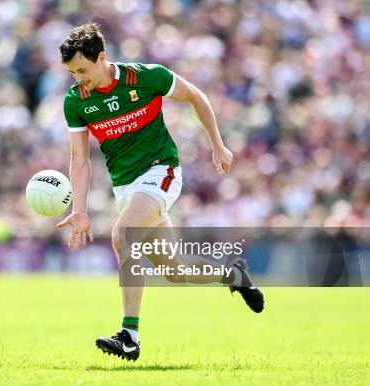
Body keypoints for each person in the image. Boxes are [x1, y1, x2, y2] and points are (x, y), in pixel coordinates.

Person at [55, 23, 264, 361]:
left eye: (83, 69)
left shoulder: (147, 77)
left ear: (102, 57)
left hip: (161, 170)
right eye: (72, 73)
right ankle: (233, 273)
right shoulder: (76, 100)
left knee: (124, 234)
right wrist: (79, 210)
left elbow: (196, 96)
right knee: (176, 269)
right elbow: (79, 161)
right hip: (126, 186)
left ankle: (129, 335)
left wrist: (218, 146)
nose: (79, 78)